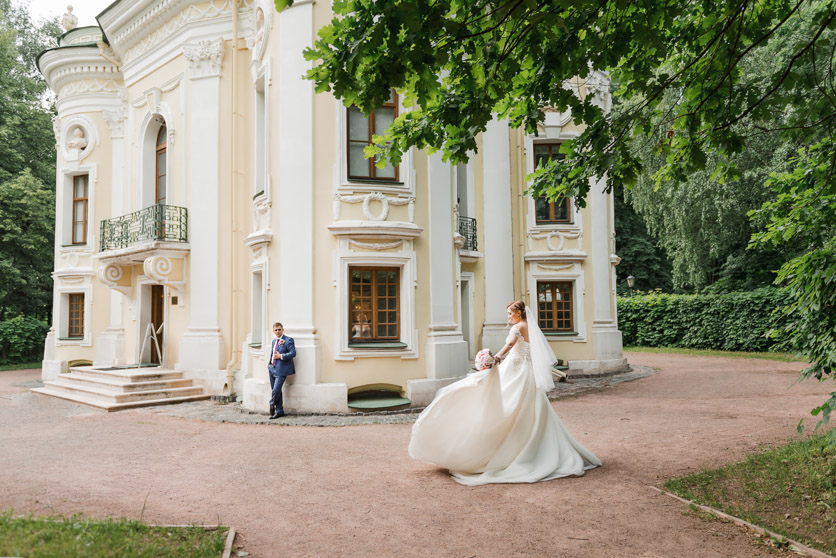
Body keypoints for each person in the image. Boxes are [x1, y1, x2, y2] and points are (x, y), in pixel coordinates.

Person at [408, 300, 601, 486]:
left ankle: (512, 448)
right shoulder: (529, 326)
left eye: (510, 313)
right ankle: (530, 443)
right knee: (527, 406)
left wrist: (496, 357)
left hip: (515, 370)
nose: (508, 316)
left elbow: (509, 345)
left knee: (508, 405)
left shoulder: (517, 328)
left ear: (518, 312)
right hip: (525, 370)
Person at [267, 322, 295, 419]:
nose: (277, 331)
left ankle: (271, 403)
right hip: (272, 369)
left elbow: (293, 353)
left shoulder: (288, 340)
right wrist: (269, 364)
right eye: (276, 330)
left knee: (275, 390)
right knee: (277, 391)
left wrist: (281, 356)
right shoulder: (274, 341)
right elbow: (272, 353)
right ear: (273, 331)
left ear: (283, 329)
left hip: (281, 369)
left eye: (279, 329)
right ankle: (279, 411)